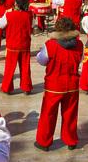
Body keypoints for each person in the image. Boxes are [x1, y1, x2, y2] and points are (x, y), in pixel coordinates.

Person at [34, 17, 84, 151]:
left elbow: (42, 60)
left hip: (54, 85)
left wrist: (40, 52)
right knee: (70, 114)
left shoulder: (50, 45)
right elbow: (80, 59)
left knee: (48, 114)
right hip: (72, 84)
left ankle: (44, 142)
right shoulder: (79, 45)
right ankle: (71, 140)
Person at [0, 0, 33, 95]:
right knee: (25, 67)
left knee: (9, 68)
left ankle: (7, 88)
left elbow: (0, 24)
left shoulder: (9, 14)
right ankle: (26, 87)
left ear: (16, 3)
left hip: (12, 45)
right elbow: (33, 27)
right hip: (25, 44)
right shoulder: (29, 15)